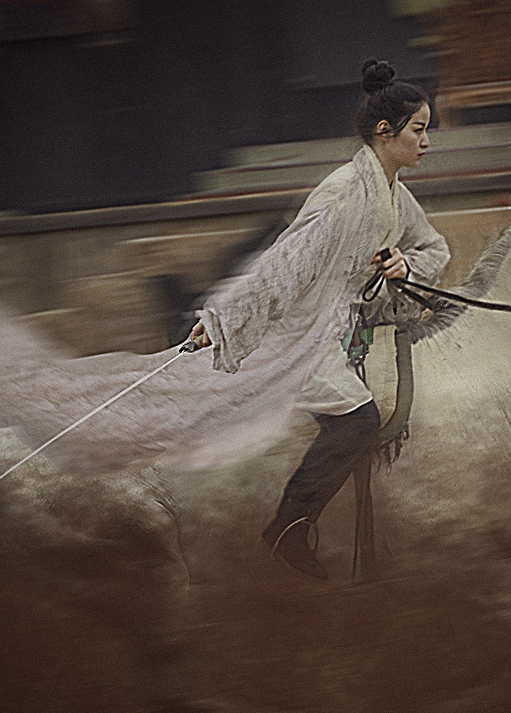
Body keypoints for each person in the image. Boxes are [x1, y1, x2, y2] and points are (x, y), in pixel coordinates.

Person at [186, 59, 448, 579]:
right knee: (360, 419)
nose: (426, 142)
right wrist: (223, 321)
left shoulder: (395, 192)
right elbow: (281, 265)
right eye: (418, 130)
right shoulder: (345, 192)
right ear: (384, 131)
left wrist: (406, 263)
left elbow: (434, 247)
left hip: (347, 325)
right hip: (300, 329)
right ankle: (288, 526)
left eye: (427, 131)